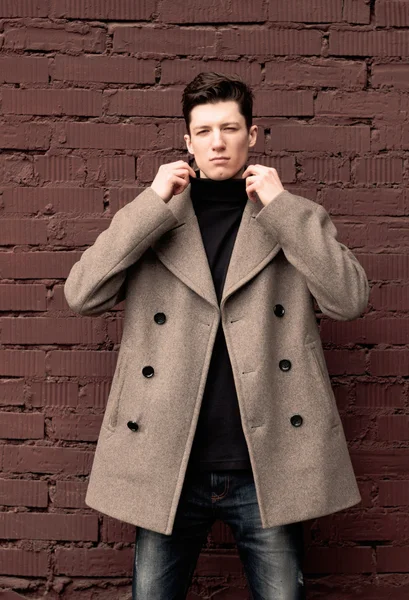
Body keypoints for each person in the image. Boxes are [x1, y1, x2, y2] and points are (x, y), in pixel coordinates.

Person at [64, 71, 370, 599]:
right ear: (186, 141)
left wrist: (282, 209)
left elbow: (349, 300)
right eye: (203, 130)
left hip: (267, 461)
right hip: (168, 460)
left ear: (252, 135)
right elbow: (82, 294)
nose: (217, 141)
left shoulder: (288, 216)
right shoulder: (159, 218)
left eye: (229, 128)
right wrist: (150, 203)